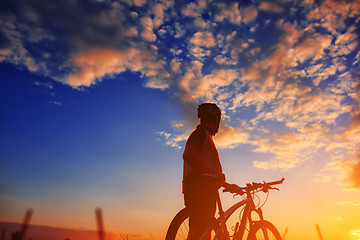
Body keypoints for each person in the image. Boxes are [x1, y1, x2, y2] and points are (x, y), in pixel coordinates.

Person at [182, 103, 225, 240]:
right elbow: (188, 155)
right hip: (199, 188)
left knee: (204, 231)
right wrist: (212, 171)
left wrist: (220, 179)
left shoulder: (205, 136)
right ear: (216, 119)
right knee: (198, 230)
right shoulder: (200, 134)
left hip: (204, 188)